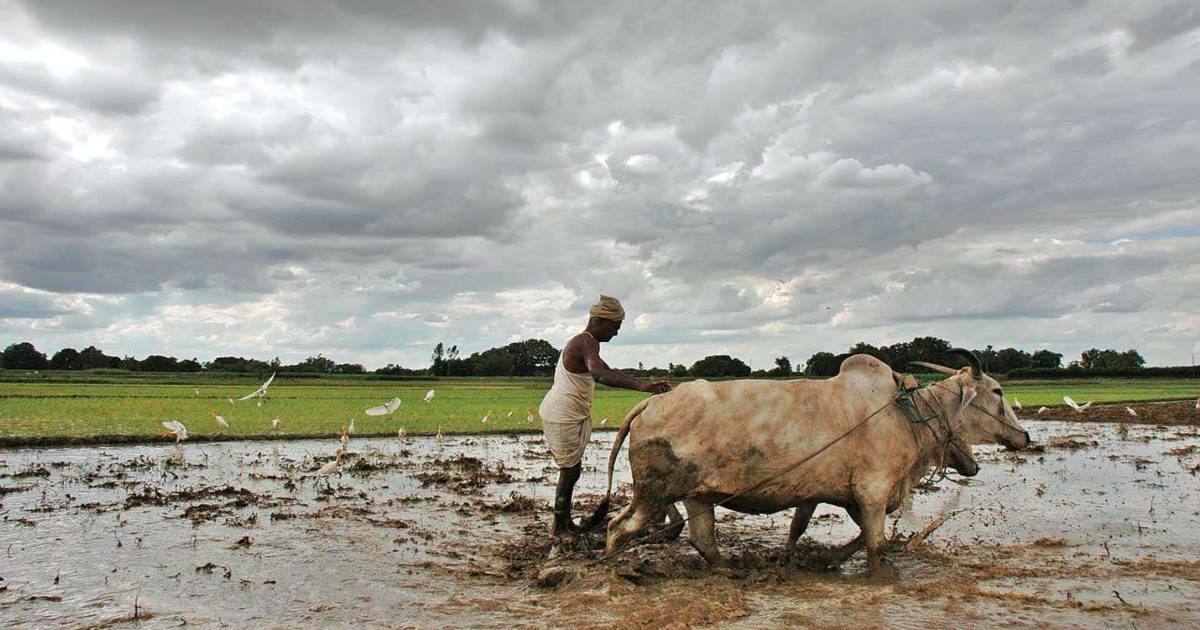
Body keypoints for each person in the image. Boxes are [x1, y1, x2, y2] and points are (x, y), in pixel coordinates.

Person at [539, 295, 671, 541]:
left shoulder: (588, 343)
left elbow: (607, 370)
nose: (616, 333)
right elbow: (599, 375)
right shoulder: (585, 342)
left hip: (570, 412)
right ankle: (559, 528)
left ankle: (566, 522)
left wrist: (644, 385)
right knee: (569, 471)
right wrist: (642, 388)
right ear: (600, 321)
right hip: (562, 413)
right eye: (615, 327)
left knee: (573, 470)